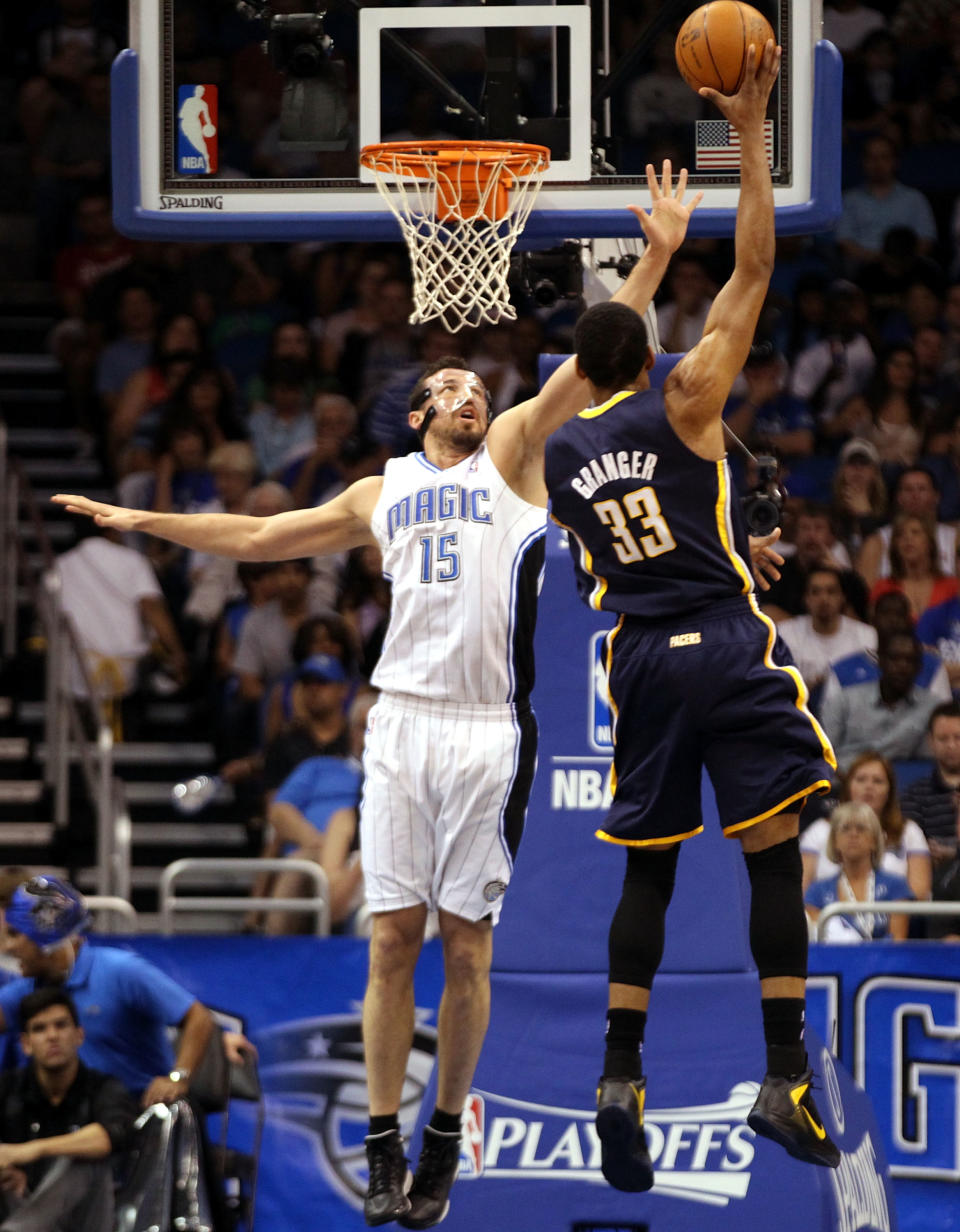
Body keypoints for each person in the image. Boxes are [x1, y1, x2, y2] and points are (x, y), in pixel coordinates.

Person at [51, 159, 703, 1227]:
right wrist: (143, 523)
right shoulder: (382, 490)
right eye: (447, 386)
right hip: (397, 723)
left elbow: (589, 368)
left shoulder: (511, 460)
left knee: (469, 944)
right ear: (414, 417)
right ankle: (384, 1137)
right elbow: (260, 535)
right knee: (391, 938)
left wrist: (660, 254)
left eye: (475, 384)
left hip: (489, 728)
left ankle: (447, 1130)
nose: (470, 390)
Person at [543, 41, 842, 1191]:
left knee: (649, 874)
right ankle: (783, 1073)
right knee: (772, 856)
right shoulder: (688, 397)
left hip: (638, 663)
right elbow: (757, 266)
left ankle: (619, 1072)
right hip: (721, 639)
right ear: (655, 349)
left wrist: (642, 270)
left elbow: (591, 361)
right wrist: (749, 135)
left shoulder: (560, 447)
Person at [0, 987, 136, 1232]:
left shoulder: (104, 1087)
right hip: (18, 1207)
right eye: (39, 1029)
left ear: (79, 1036)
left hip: (86, 1222)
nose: (52, 1036)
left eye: (61, 1025)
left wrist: (31, 1150)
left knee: (86, 1158)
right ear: (26, 1044)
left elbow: (109, 1136)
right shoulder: (7, 1088)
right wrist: (6, 1168)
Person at [800, 751, 931, 902]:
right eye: (861, 780)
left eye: (877, 781)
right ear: (848, 786)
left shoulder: (909, 831)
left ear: (890, 790)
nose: (869, 787)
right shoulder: (819, 831)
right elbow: (802, 893)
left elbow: (920, 894)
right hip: (827, 919)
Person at [820, 626, 946, 770]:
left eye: (909, 660)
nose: (902, 667)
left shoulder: (933, 708)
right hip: (844, 781)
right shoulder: (844, 701)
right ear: (880, 662)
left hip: (908, 786)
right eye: (895, 659)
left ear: (919, 667)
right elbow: (822, 757)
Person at [804, 803, 913, 942]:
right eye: (845, 829)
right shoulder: (817, 891)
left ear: (874, 840)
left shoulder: (896, 886)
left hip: (885, 962)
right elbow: (819, 946)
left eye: (861, 829)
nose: (853, 834)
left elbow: (898, 942)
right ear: (835, 840)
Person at [899, 702, 960, 849]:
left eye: (958, 737)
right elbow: (910, 844)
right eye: (943, 739)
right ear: (931, 741)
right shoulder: (914, 795)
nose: (951, 745)